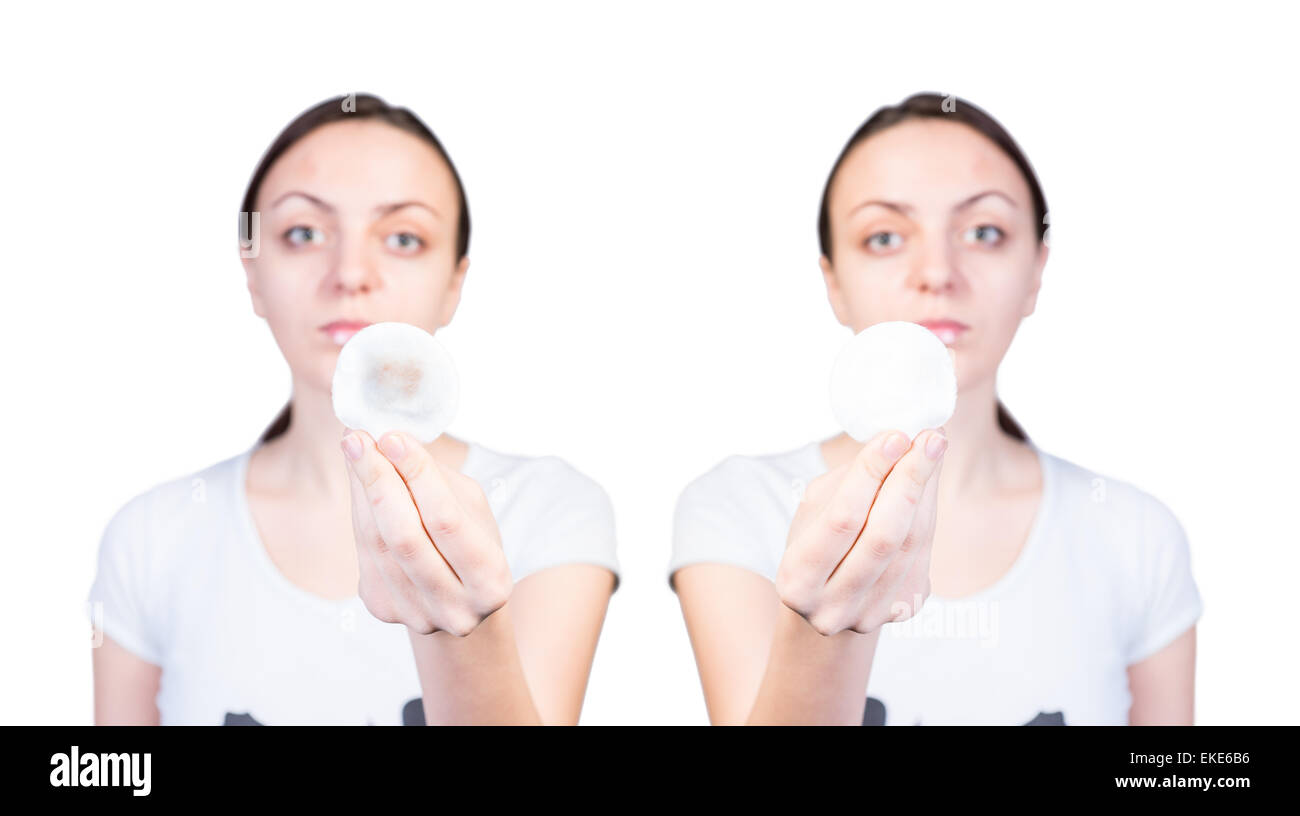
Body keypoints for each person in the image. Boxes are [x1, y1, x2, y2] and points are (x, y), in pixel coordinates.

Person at [668, 92, 1203, 726]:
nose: (937, 272)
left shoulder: (1135, 536)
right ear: (832, 282)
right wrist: (828, 633)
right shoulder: (737, 509)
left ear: (1035, 271)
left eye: (984, 232)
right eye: (886, 236)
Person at [87, 94, 620, 725]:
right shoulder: (151, 538)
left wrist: (461, 635)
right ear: (253, 273)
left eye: (402, 237)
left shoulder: (550, 510)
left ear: (455, 283)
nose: (350, 273)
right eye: (304, 233)